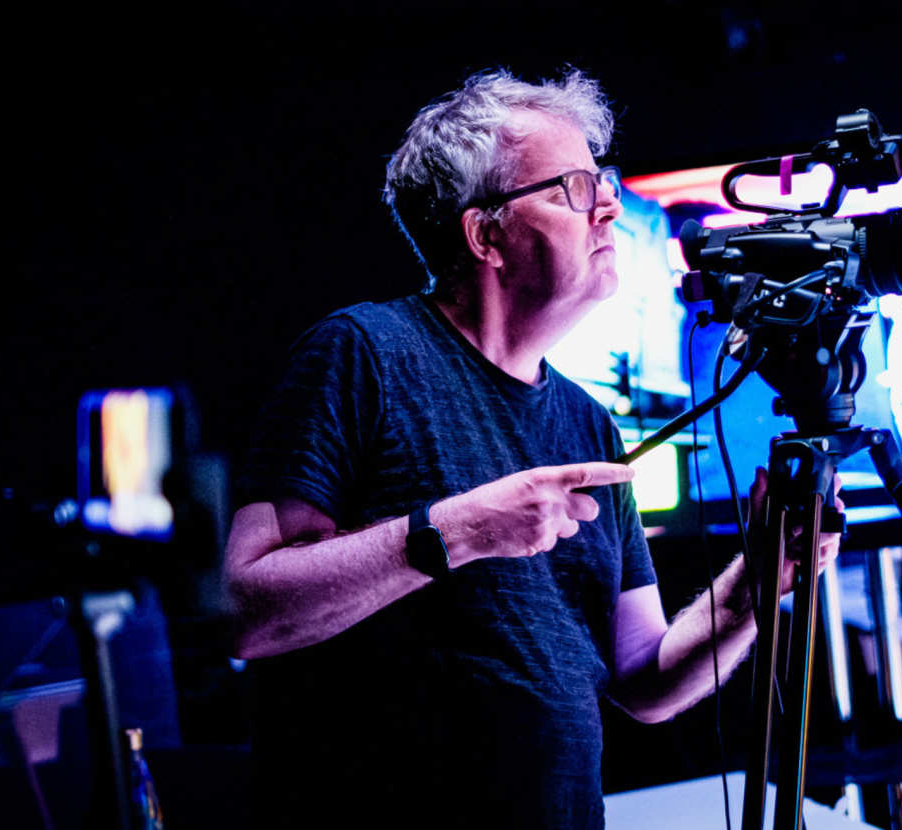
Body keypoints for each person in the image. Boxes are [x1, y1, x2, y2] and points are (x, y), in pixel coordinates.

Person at [225, 68, 838, 828]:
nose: (609, 202)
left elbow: (643, 679)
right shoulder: (362, 353)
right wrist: (461, 530)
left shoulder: (588, 424)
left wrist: (757, 584)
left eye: (601, 179)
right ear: (486, 234)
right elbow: (251, 612)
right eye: (571, 187)